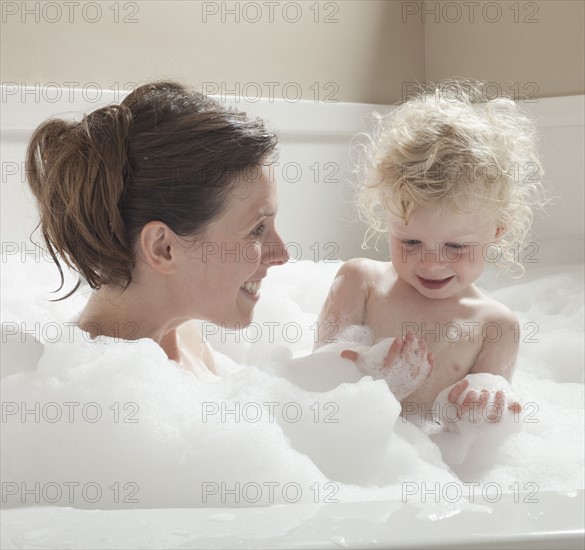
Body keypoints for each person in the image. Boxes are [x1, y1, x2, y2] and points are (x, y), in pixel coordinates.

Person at [314, 80, 545, 427]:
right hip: (356, 454)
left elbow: (477, 445)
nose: (431, 263)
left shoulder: (495, 327)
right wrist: (378, 385)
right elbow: (314, 388)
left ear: (498, 229)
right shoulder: (360, 283)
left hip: (432, 471)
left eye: (455, 246)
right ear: (387, 219)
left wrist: (482, 411)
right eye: (410, 243)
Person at [25, 80, 288, 377]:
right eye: (257, 229)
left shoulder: (182, 336)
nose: (281, 254)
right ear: (162, 248)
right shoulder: (100, 386)